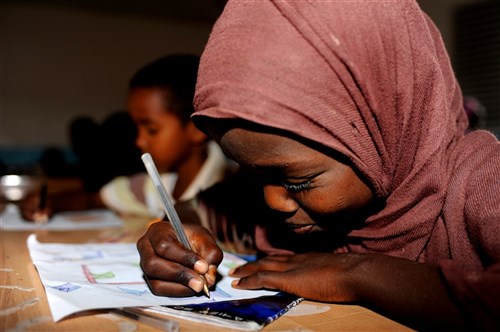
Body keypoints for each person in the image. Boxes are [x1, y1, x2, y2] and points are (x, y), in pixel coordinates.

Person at [136, 1, 500, 331]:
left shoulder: (483, 181)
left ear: (386, 126)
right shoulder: (275, 199)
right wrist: (173, 234)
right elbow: (197, 211)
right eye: (251, 172)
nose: (273, 202)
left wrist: (359, 273)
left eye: (300, 183)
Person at [21, 54, 234, 220]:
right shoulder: (153, 186)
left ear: (195, 128)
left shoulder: (231, 191)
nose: (139, 141)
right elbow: (94, 199)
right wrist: (51, 202)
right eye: (137, 128)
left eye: (151, 129)